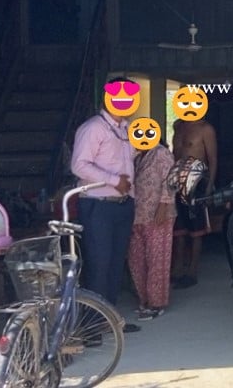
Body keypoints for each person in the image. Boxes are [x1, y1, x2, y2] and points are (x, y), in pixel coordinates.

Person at [71, 77, 141, 333]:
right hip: (98, 205)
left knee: (114, 264)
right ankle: (90, 325)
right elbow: (79, 165)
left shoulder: (126, 129)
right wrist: (114, 181)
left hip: (122, 204)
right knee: (99, 264)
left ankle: (109, 320)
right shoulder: (93, 128)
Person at [128, 139, 176, 321]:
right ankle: (145, 299)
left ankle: (156, 304)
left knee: (157, 259)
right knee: (136, 259)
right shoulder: (137, 156)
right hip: (137, 215)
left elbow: (170, 181)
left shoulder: (161, 153)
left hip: (158, 214)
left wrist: (164, 205)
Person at [171, 117, 218, 289]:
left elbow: (212, 159)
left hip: (197, 183)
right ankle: (177, 269)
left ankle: (192, 272)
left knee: (196, 229)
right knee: (179, 229)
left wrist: (209, 187)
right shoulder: (178, 126)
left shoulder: (206, 129)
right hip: (177, 182)